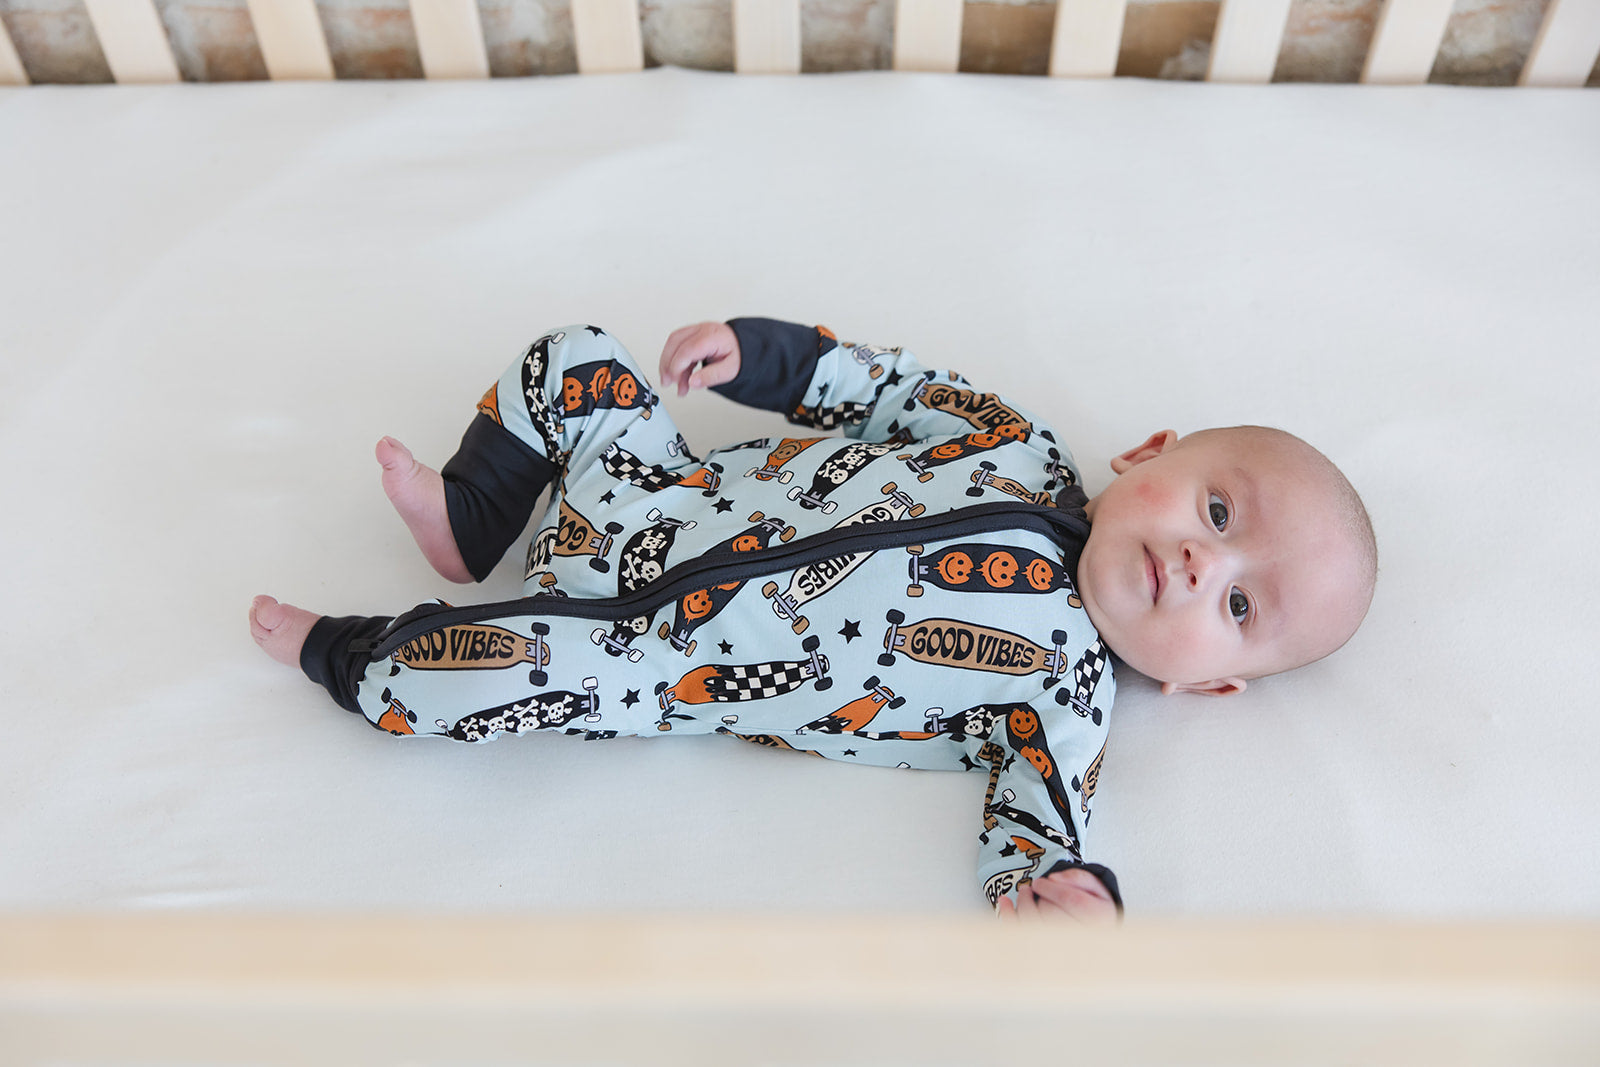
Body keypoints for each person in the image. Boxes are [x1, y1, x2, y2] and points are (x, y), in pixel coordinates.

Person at [250, 318, 1376, 923]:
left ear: (1203, 683)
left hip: (641, 662)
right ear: (1147, 453)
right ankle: (471, 518)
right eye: (1217, 509)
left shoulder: (1061, 693)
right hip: (652, 495)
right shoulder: (1017, 445)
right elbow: (891, 389)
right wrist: (768, 357)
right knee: (574, 359)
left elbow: (1038, 815)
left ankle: (340, 651)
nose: (1201, 561)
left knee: (467, 674)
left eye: (1239, 603)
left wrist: (1058, 888)